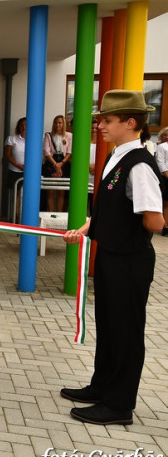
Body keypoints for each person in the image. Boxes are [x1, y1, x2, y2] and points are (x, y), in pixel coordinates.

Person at [61, 90, 164, 426]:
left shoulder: (140, 165)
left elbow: (154, 220)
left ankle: (119, 405)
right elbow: (107, 208)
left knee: (126, 332)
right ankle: (102, 386)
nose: (100, 125)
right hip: (110, 255)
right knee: (108, 325)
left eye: (107, 120)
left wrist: (123, 231)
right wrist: (87, 228)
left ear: (130, 123)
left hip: (130, 260)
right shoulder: (116, 157)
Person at [43, 115, 72, 212]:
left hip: (64, 163)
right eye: (55, 123)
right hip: (51, 162)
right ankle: (51, 214)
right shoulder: (48, 135)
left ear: (63, 124)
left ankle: (59, 214)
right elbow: (46, 152)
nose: (57, 125)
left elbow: (69, 152)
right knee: (50, 191)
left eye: (60, 123)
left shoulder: (69, 135)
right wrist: (55, 164)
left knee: (61, 191)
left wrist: (61, 163)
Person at [4, 117, 26, 222]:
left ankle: (26, 217)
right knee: (17, 195)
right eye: (22, 125)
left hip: (30, 172)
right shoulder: (12, 139)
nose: (24, 127)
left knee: (28, 195)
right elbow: (8, 156)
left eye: (26, 125)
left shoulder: (35, 139)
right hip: (15, 171)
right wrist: (19, 166)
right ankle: (17, 218)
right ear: (18, 127)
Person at [154, 127, 168, 236]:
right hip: (165, 177)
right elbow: (160, 162)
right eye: (165, 135)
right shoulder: (162, 147)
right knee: (166, 203)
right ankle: (166, 226)